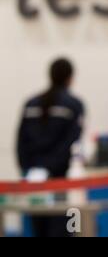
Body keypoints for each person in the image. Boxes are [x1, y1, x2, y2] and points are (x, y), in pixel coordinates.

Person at [17, 58, 84, 237]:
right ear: (70, 78)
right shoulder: (73, 105)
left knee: (39, 229)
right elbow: (72, 142)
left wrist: (29, 169)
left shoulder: (31, 103)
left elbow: (20, 143)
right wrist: (53, 168)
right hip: (59, 180)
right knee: (63, 228)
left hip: (34, 178)